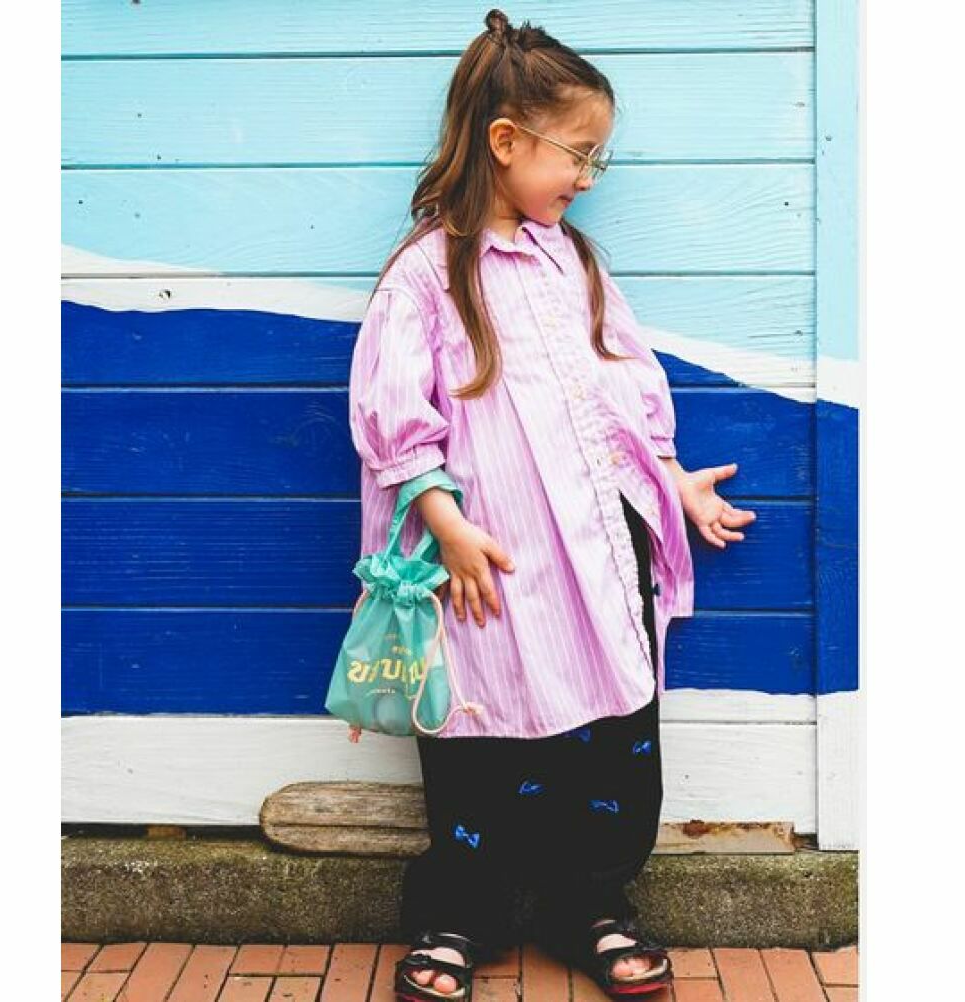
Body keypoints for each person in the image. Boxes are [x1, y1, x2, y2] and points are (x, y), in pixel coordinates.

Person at [347, 10, 757, 1000]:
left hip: (597, 549)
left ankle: (595, 903)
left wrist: (671, 478)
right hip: (484, 558)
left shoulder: (575, 261)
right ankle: (461, 914)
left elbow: (623, 378)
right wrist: (445, 523)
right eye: (580, 154)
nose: (588, 177)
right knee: (476, 732)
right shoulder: (428, 274)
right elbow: (394, 412)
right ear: (506, 140)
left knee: (610, 734)